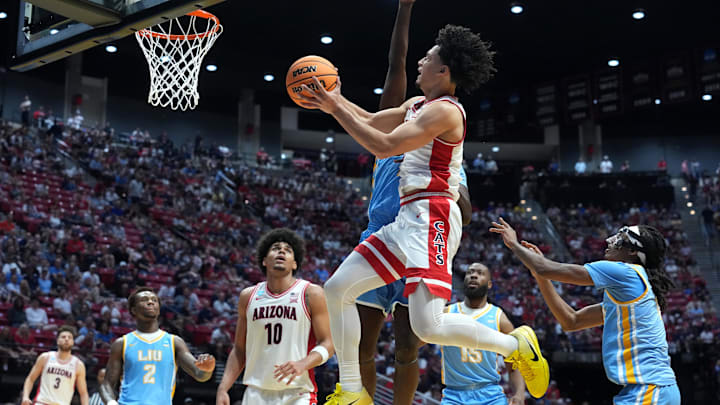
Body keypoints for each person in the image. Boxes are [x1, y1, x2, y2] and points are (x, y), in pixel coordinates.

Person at [301, 25, 548, 404]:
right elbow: (370, 120)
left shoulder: (447, 113)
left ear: (444, 71)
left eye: (429, 57)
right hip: (404, 220)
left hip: (433, 217)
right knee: (336, 289)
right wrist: (335, 99)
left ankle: (513, 343)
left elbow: (380, 144)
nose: (421, 61)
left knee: (426, 327)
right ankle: (352, 392)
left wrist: (336, 109)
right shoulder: (415, 105)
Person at [353, 2, 473, 404]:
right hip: (381, 235)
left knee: (409, 345)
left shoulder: (442, 148)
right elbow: (396, 65)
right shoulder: (400, 124)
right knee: (360, 342)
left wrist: (452, 189)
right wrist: (404, 9)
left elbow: (465, 211)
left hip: (419, 239)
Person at [490, 219, 681, 404]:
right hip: (653, 389)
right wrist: (540, 278)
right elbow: (571, 321)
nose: (609, 241)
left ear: (632, 251)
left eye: (619, 238)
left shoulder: (625, 272)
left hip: (649, 388)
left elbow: (544, 267)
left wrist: (514, 244)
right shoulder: (628, 295)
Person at [216, 228, 334, 405]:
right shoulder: (248, 296)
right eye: (275, 248)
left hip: (297, 393)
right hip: (255, 393)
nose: (281, 251)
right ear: (264, 261)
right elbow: (240, 349)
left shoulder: (311, 293)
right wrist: (223, 388)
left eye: (288, 250)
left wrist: (303, 363)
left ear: (295, 264)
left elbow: (328, 343)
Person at [100, 288, 216, 405]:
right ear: (133, 310)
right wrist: (111, 402)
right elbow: (107, 384)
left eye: (154, 300)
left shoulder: (174, 342)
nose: (151, 302)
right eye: (144, 300)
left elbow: (199, 374)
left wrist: (207, 369)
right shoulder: (122, 343)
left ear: (159, 310)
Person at [440, 263, 525, 405]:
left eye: (480, 273)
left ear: (489, 284)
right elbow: (416, 342)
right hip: (454, 396)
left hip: (490, 395)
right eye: (470, 273)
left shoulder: (499, 317)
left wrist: (519, 394)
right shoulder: (446, 313)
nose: (473, 275)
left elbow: (514, 366)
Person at [21, 326, 90, 405]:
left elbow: (83, 393)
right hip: (42, 402)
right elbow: (30, 379)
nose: (66, 339)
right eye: (63, 337)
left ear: (73, 342)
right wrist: (25, 397)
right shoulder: (45, 357)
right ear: (57, 341)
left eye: (69, 337)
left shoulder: (78, 365)